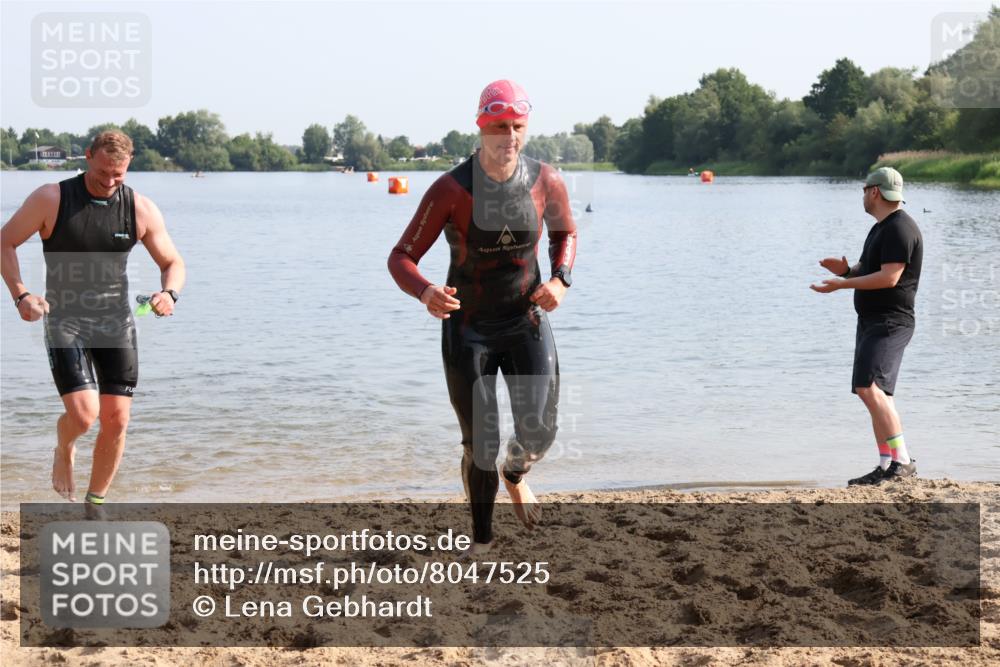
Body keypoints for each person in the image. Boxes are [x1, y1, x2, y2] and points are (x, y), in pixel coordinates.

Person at [388, 80, 577, 554]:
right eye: (498, 127)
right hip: (468, 329)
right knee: (483, 442)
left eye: (517, 126)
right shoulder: (452, 189)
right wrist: (425, 290)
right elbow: (401, 257)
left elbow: (565, 233)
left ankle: (516, 474)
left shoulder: (546, 180)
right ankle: (483, 541)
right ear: (480, 127)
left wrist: (560, 280)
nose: (508, 136)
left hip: (525, 320)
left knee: (539, 431)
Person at [1, 130, 185, 506]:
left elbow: (173, 263)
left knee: (116, 421)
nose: (110, 181)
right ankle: (64, 446)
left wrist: (168, 293)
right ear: (88, 156)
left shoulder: (139, 208)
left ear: (128, 166)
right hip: (65, 319)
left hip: (116, 320)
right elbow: (4, 242)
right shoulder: (52, 198)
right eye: (103, 172)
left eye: (119, 174)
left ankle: (94, 505)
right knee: (85, 416)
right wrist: (21, 294)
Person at [811, 167, 922, 486]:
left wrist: (840, 286)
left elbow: (890, 277)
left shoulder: (900, 228)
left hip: (891, 321)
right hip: (873, 321)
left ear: (875, 192)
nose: (862, 195)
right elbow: (870, 268)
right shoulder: (882, 228)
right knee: (877, 392)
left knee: (869, 387)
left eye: (864, 189)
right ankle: (887, 463)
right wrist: (847, 270)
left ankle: (902, 461)